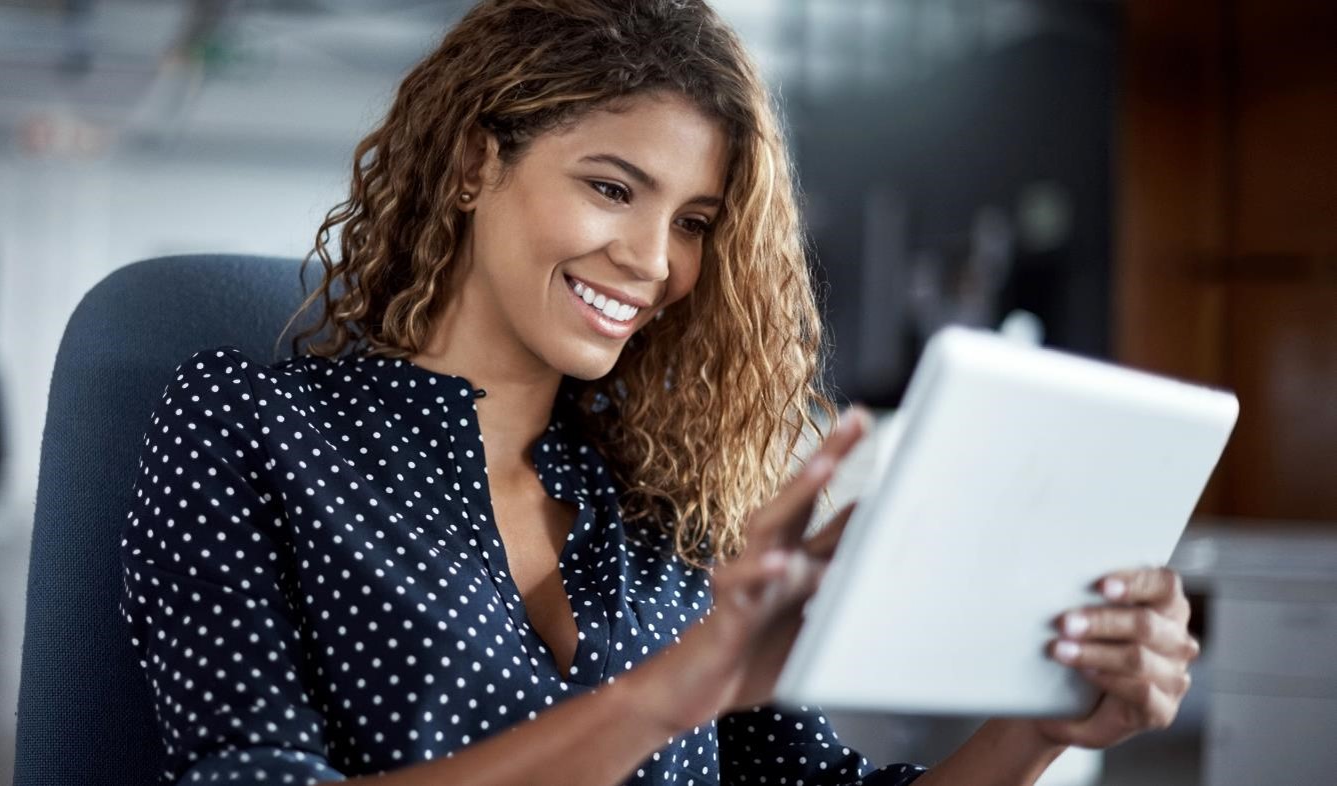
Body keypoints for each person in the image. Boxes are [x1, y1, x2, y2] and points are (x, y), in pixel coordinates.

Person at [118, 1, 1202, 783]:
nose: (653, 261)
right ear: (468, 165)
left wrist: (1053, 723)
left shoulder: (664, 509)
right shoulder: (246, 426)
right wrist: (662, 700)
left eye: (692, 222)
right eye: (609, 187)